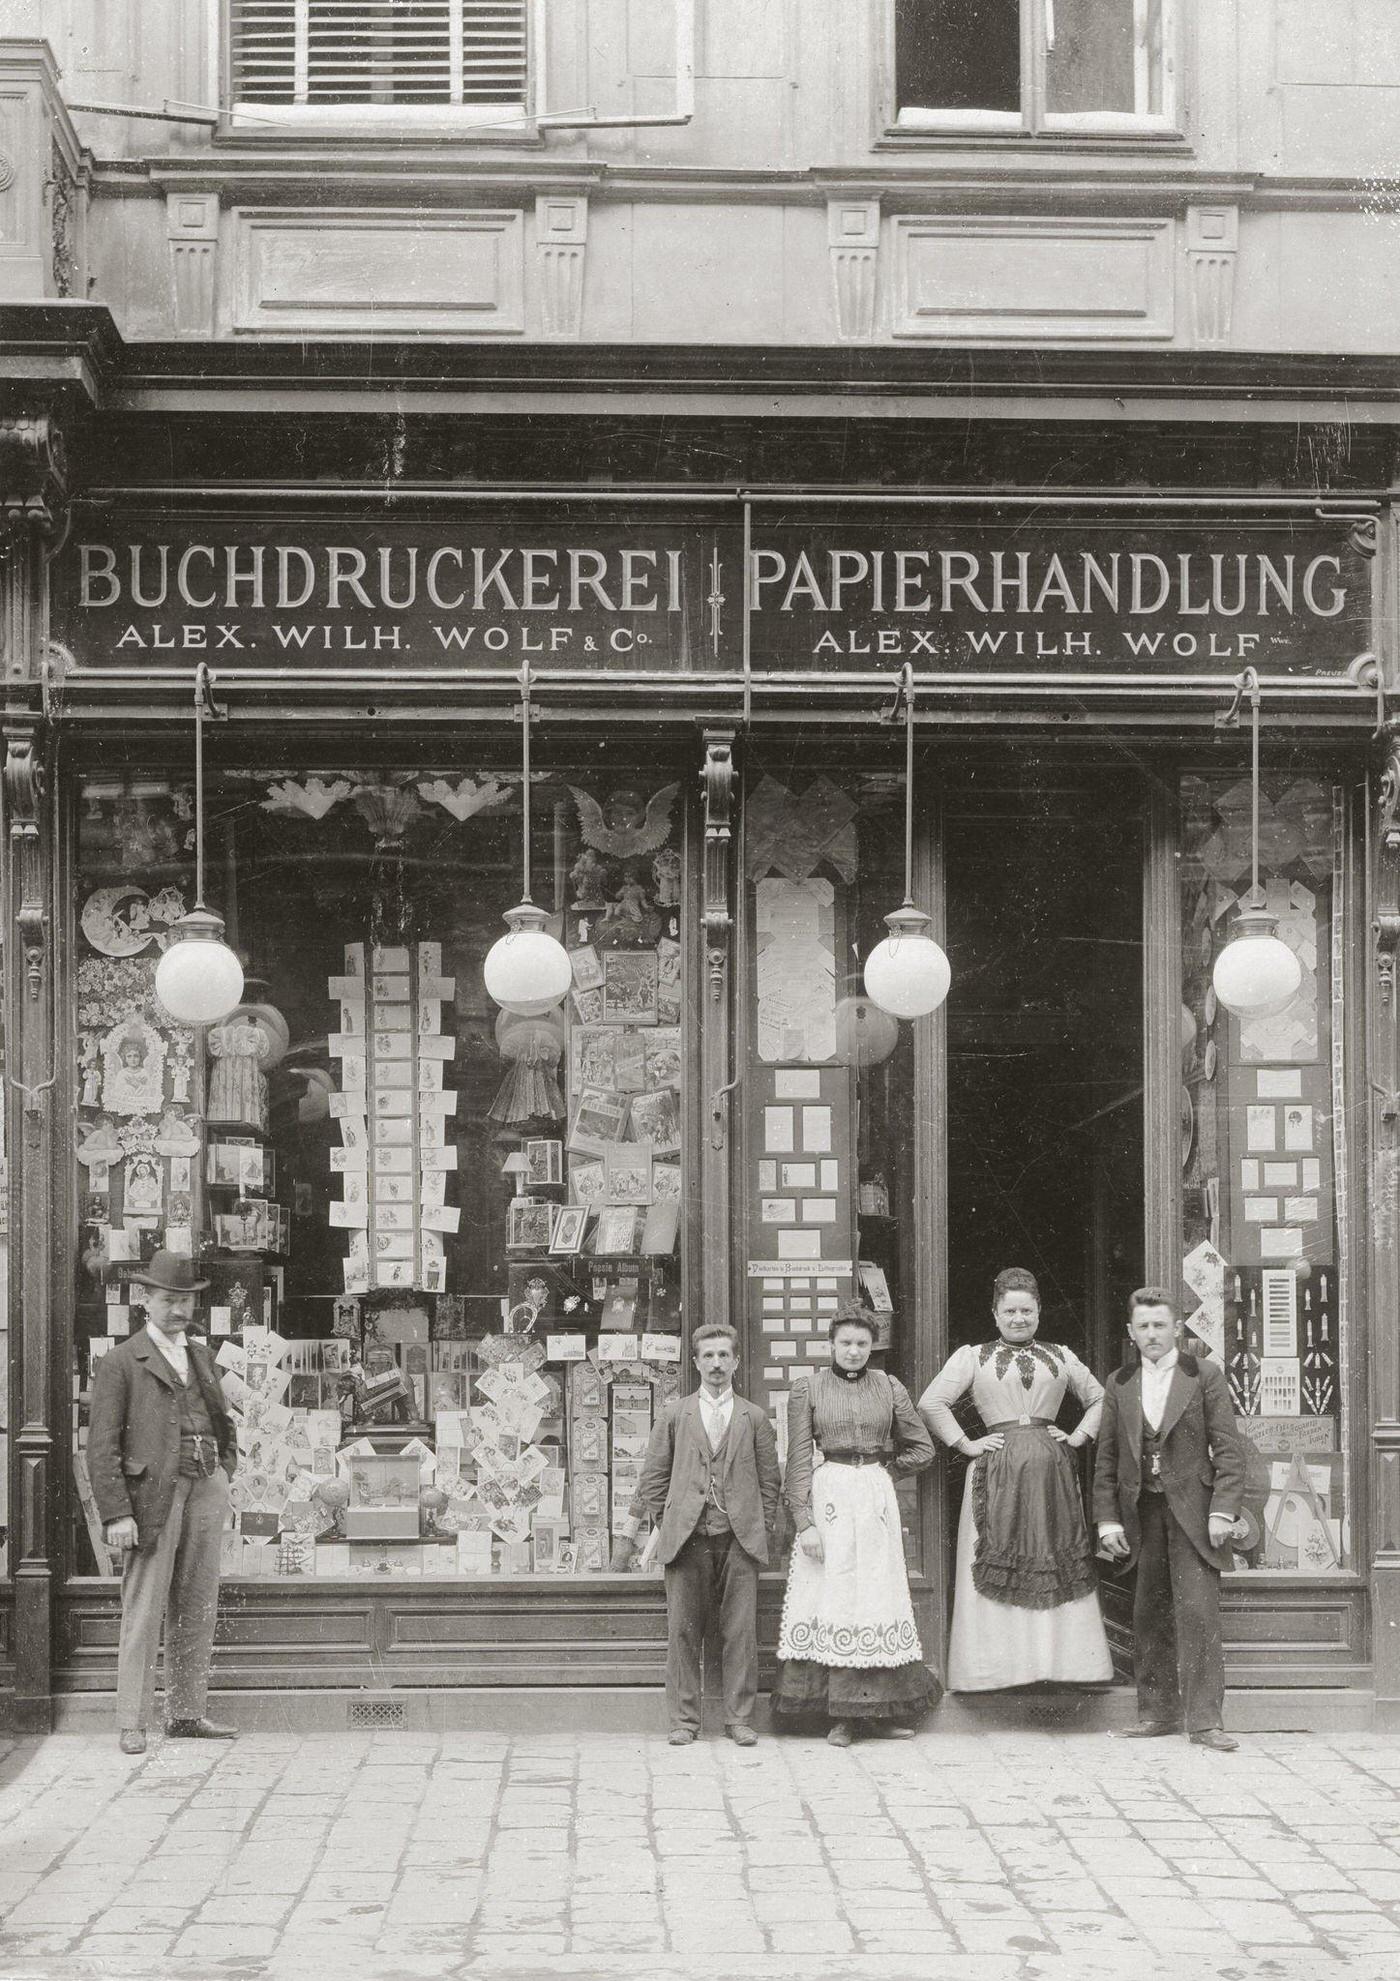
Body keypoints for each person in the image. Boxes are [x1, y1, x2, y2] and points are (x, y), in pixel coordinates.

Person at [919, 1267, 1113, 1692]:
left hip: (1051, 1474)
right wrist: (966, 1443)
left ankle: (1062, 1667)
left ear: (1040, 1311)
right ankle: (998, 1671)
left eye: (1027, 1310)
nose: (1019, 1318)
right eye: (1010, 1311)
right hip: (996, 1470)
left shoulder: (1061, 1355)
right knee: (996, 1556)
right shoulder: (972, 1355)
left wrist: (1079, 1435)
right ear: (995, 1313)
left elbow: (1101, 1397)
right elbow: (931, 1402)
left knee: (1056, 1556)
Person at [87, 1251, 239, 1755]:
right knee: (145, 1607)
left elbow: (221, 1418)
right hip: (153, 1496)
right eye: (169, 1300)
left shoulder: (199, 1355)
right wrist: (116, 1512)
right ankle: (133, 1720)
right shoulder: (120, 1362)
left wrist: (225, 1470)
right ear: (145, 1300)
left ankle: (186, 1713)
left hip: (205, 1487)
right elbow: (102, 1445)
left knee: (197, 1604)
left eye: (186, 1300)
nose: (178, 1310)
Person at [774, 1302, 937, 1746]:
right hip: (829, 1495)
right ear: (831, 1345)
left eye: (862, 1343)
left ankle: (878, 1712)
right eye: (845, 1342)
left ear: (873, 1345)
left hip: (874, 1497)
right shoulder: (808, 1388)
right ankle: (839, 1716)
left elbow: (922, 1448)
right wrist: (804, 1523)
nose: (853, 1351)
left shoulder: (889, 1386)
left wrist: (885, 1474)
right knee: (836, 1595)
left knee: (875, 1596)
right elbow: (799, 1460)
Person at [612, 1322, 780, 1746]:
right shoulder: (675, 1414)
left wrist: (760, 1527)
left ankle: (739, 1719)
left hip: (739, 1538)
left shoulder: (754, 1417)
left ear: (737, 1361)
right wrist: (669, 1522)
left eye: (724, 1355)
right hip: (686, 1539)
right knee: (683, 1630)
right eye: (708, 1356)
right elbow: (653, 1478)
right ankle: (684, 1721)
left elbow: (769, 1483)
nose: (716, 1363)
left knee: (739, 1632)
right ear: (695, 1363)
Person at [1093, 1285, 1246, 1752]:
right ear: (1130, 1332)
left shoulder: (1204, 1375)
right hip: (1143, 1512)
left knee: (1198, 1614)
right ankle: (1156, 1713)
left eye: (1161, 1325)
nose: (1153, 1334)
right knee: (1149, 1613)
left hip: (1196, 1514)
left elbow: (1228, 1450)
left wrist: (1222, 1510)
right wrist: (1108, 1521)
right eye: (1144, 1326)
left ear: (1177, 1328)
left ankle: (1204, 1722)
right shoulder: (1119, 1383)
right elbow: (1107, 1458)